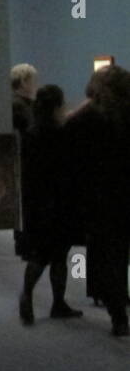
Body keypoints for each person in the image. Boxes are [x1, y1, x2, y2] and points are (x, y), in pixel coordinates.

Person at [64, 65, 130, 336]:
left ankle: (118, 314)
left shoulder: (87, 116)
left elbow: (68, 144)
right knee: (120, 250)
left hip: (98, 194)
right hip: (125, 190)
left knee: (107, 252)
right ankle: (119, 298)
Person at [16, 84, 81, 324]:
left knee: (40, 253)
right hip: (59, 201)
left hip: (37, 202)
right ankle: (58, 302)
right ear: (56, 106)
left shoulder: (32, 134)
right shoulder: (60, 134)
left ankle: (28, 292)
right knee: (59, 255)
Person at [11, 63, 38, 133]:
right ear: (23, 82)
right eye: (34, 80)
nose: (36, 84)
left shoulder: (28, 104)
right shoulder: (17, 106)